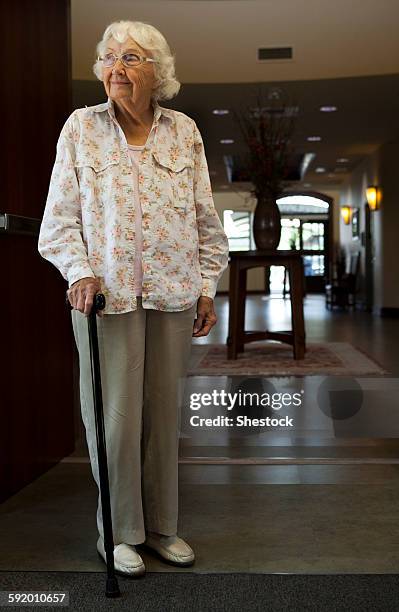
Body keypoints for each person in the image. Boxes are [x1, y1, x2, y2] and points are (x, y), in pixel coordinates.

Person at [38, 19, 229, 578]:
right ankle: (118, 533)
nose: (117, 68)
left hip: (172, 292)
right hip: (107, 296)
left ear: (157, 73)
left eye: (132, 58)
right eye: (110, 57)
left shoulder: (184, 131)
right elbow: (59, 222)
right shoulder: (81, 128)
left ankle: (163, 527)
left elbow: (205, 219)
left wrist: (205, 286)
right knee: (114, 418)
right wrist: (77, 271)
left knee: (162, 417)